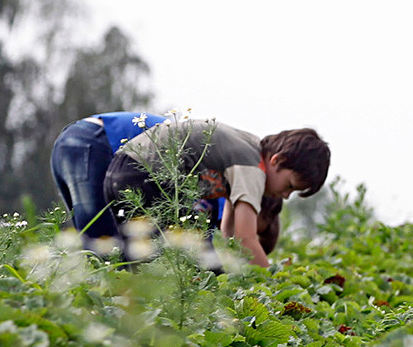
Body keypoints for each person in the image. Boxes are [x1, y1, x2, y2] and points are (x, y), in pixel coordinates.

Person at [103, 119, 328, 268]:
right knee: (200, 266)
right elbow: (245, 237)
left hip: (121, 170)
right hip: (148, 177)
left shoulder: (247, 149)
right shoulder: (252, 168)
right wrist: (271, 283)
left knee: (139, 260)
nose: (286, 196)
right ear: (277, 160)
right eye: (289, 186)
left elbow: (230, 234)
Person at [50, 111, 169, 245]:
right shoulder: (186, 139)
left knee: (91, 241)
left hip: (68, 143)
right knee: (103, 243)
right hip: (92, 140)